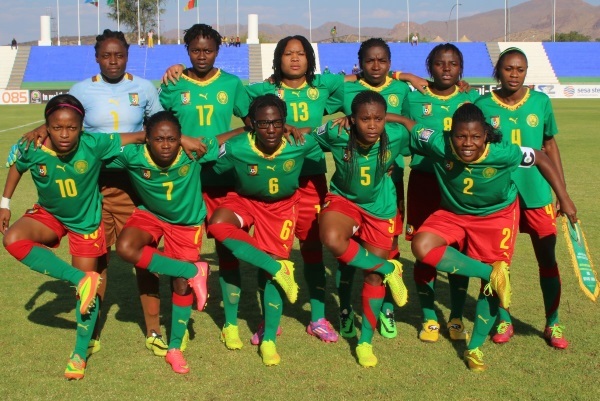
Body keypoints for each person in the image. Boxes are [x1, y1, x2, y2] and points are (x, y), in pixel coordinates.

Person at [20, 29, 167, 358]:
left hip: (135, 184)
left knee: (144, 258)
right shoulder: (81, 90)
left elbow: (157, 127)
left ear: (127, 56)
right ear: (96, 57)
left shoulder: (143, 88)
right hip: (93, 187)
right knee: (95, 260)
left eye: (119, 55)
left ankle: (154, 329)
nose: (113, 60)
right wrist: (41, 128)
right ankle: (91, 329)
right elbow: (64, 119)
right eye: (106, 55)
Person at [399, 102, 576, 371]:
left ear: (486, 136)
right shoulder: (438, 143)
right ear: (450, 135)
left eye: (475, 137)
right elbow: (411, 126)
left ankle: (474, 349)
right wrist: (362, 118)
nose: (467, 143)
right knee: (422, 246)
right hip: (453, 214)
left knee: (490, 289)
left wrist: (564, 197)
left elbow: (540, 157)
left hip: (496, 218)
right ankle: (489, 271)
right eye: (460, 136)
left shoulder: (503, 152)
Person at [0, 94, 147, 380]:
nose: (64, 134)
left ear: (83, 127)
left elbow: (141, 135)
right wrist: (4, 203)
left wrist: (185, 140)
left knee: (85, 296)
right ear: (46, 126)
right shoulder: (31, 146)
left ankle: (80, 354)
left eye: (72, 128)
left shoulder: (95, 143)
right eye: (56, 128)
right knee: (13, 239)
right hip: (49, 214)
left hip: (86, 223)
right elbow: (17, 167)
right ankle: (80, 278)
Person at [110, 111, 237, 374]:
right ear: (147, 139)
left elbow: (227, 138)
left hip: (186, 223)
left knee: (180, 287)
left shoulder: (193, 152)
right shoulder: (132, 156)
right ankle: (194, 270)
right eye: (158, 139)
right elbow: (93, 142)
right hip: (151, 215)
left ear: (181, 139)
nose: (165, 145)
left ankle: (175, 347)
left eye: (171, 139)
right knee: (125, 247)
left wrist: (251, 127)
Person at [206, 94, 324, 365]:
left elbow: (330, 134)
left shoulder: (300, 143)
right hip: (245, 201)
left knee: (273, 279)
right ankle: (272, 269)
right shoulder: (237, 147)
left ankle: (269, 339)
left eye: (276, 123)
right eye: (262, 124)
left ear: (285, 123)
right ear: (252, 125)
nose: (270, 130)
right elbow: (207, 160)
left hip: (281, 209)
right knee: (218, 225)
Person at [245, 35, 347, 344]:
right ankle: (269, 320)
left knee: (312, 250)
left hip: (310, 180)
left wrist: (399, 76)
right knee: (270, 252)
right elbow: (242, 105)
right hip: (273, 180)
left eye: (300, 54)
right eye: (288, 53)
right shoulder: (265, 90)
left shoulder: (323, 88)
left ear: (309, 59)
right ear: (277, 58)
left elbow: (359, 88)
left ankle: (317, 317)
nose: (294, 58)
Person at [158, 23, 251, 344]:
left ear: (217, 50)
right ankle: (180, 329)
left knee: (227, 250)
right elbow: (156, 126)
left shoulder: (231, 83)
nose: (201, 56)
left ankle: (230, 323)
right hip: (184, 181)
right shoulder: (173, 83)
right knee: (183, 256)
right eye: (195, 50)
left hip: (222, 179)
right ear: (187, 51)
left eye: (208, 50)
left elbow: (252, 124)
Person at [301, 91, 408, 367]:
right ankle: (389, 269)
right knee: (331, 237)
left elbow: (414, 127)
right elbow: (309, 133)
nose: (372, 125)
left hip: (380, 208)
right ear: (352, 119)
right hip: (344, 200)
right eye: (364, 119)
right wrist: (288, 128)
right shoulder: (337, 133)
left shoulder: (395, 135)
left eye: (378, 119)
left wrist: (394, 118)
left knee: (372, 279)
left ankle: (365, 343)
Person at [475, 47, 570, 349]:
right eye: (508, 69)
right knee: (497, 263)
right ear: (498, 71)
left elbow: (550, 145)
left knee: (548, 260)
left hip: (537, 194)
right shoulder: (482, 105)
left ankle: (553, 323)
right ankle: (503, 318)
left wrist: (562, 193)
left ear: (526, 72)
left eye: (520, 69)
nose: (514, 75)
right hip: (498, 197)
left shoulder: (540, 102)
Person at [326, 38, 413, 341]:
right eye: (369, 61)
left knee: (390, 245)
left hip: (388, 178)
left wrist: (407, 80)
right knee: (347, 252)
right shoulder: (346, 88)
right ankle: (346, 308)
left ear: (390, 62)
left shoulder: (400, 89)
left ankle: (386, 308)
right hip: (351, 178)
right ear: (360, 63)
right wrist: (346, 120)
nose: (376, 66)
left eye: (382, 60)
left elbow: (411, 124)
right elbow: (321, 108)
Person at [403, 43, 479, 343]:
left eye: (453, 64)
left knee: (459, 248)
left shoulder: (471, 99)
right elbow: (392, 121)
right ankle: (429, 317)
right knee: (424, 251)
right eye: (439, 63)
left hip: (459, 185)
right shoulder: (412, 100)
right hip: (424, 182)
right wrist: (403, 75)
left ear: (461, 68)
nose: (446, 69)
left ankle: (457, 316)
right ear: (429, 67)